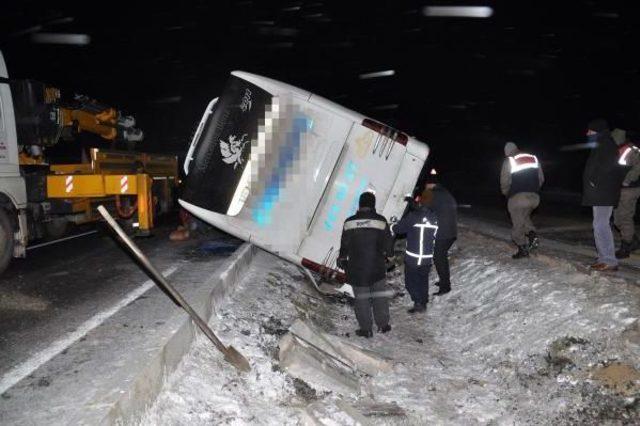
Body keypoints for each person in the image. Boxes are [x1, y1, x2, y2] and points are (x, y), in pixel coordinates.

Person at [338, 192, 394, 338]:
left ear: (360, 204)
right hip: (377, 267)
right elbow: (389, 245)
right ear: (373, 205)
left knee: (361, 299)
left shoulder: (349, 222)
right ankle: (383, 325)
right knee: (379, 296)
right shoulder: (381, 221)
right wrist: (389, 256)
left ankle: (366, 329)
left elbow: (344, 244)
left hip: (357, 268)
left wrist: (342, 258)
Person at [582, 119, 625, 271]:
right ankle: (604, 257)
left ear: (597, 131)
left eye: (590, 131)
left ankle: (608, 259)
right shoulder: (603, 143)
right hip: (601, 192)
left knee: (600, 225)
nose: (587, 133)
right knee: (599, 224)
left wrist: (594, 181)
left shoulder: (605, 144)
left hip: (603, 192)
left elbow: (608, 167)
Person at [391, 189, 438, 314]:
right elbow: (437, 236)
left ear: (421, 201)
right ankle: (423, 302)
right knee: (423, 280)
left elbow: (398, 229)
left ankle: (418, 302)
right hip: (426, 259)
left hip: (413, 258)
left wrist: (391, 225)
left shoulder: (413, 217)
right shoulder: (434, 218)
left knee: (410, 283)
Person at [500, 142, 544, 259]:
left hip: (518, 198)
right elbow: (541, 178)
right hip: (534, 198)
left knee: (517, 226)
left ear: (507, 152)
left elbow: (505, 181)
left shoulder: (509, 160)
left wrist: (507, 194)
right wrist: (533, 189)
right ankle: (531, 234)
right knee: (524, 218)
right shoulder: (533, 158)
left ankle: (522, 248)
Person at [420, 169, 458, 296]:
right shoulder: (444, 192)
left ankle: (445, 286)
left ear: (430, 184)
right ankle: (444, 281)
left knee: (439, 257)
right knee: (440, 256)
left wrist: (411, 202)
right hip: (451, 232)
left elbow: (422, 209)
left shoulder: (431, 193)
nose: (425, 187)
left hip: (443, 233)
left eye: (426, 184)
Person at [612, 128, 640, 258]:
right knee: (618, 219)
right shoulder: (619, 149)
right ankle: (633, 241)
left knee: (625, 218)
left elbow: (638, 168)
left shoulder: (632, 149)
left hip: (629, 189)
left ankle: (626, 247)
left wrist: (627, 181)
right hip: (620, 189)